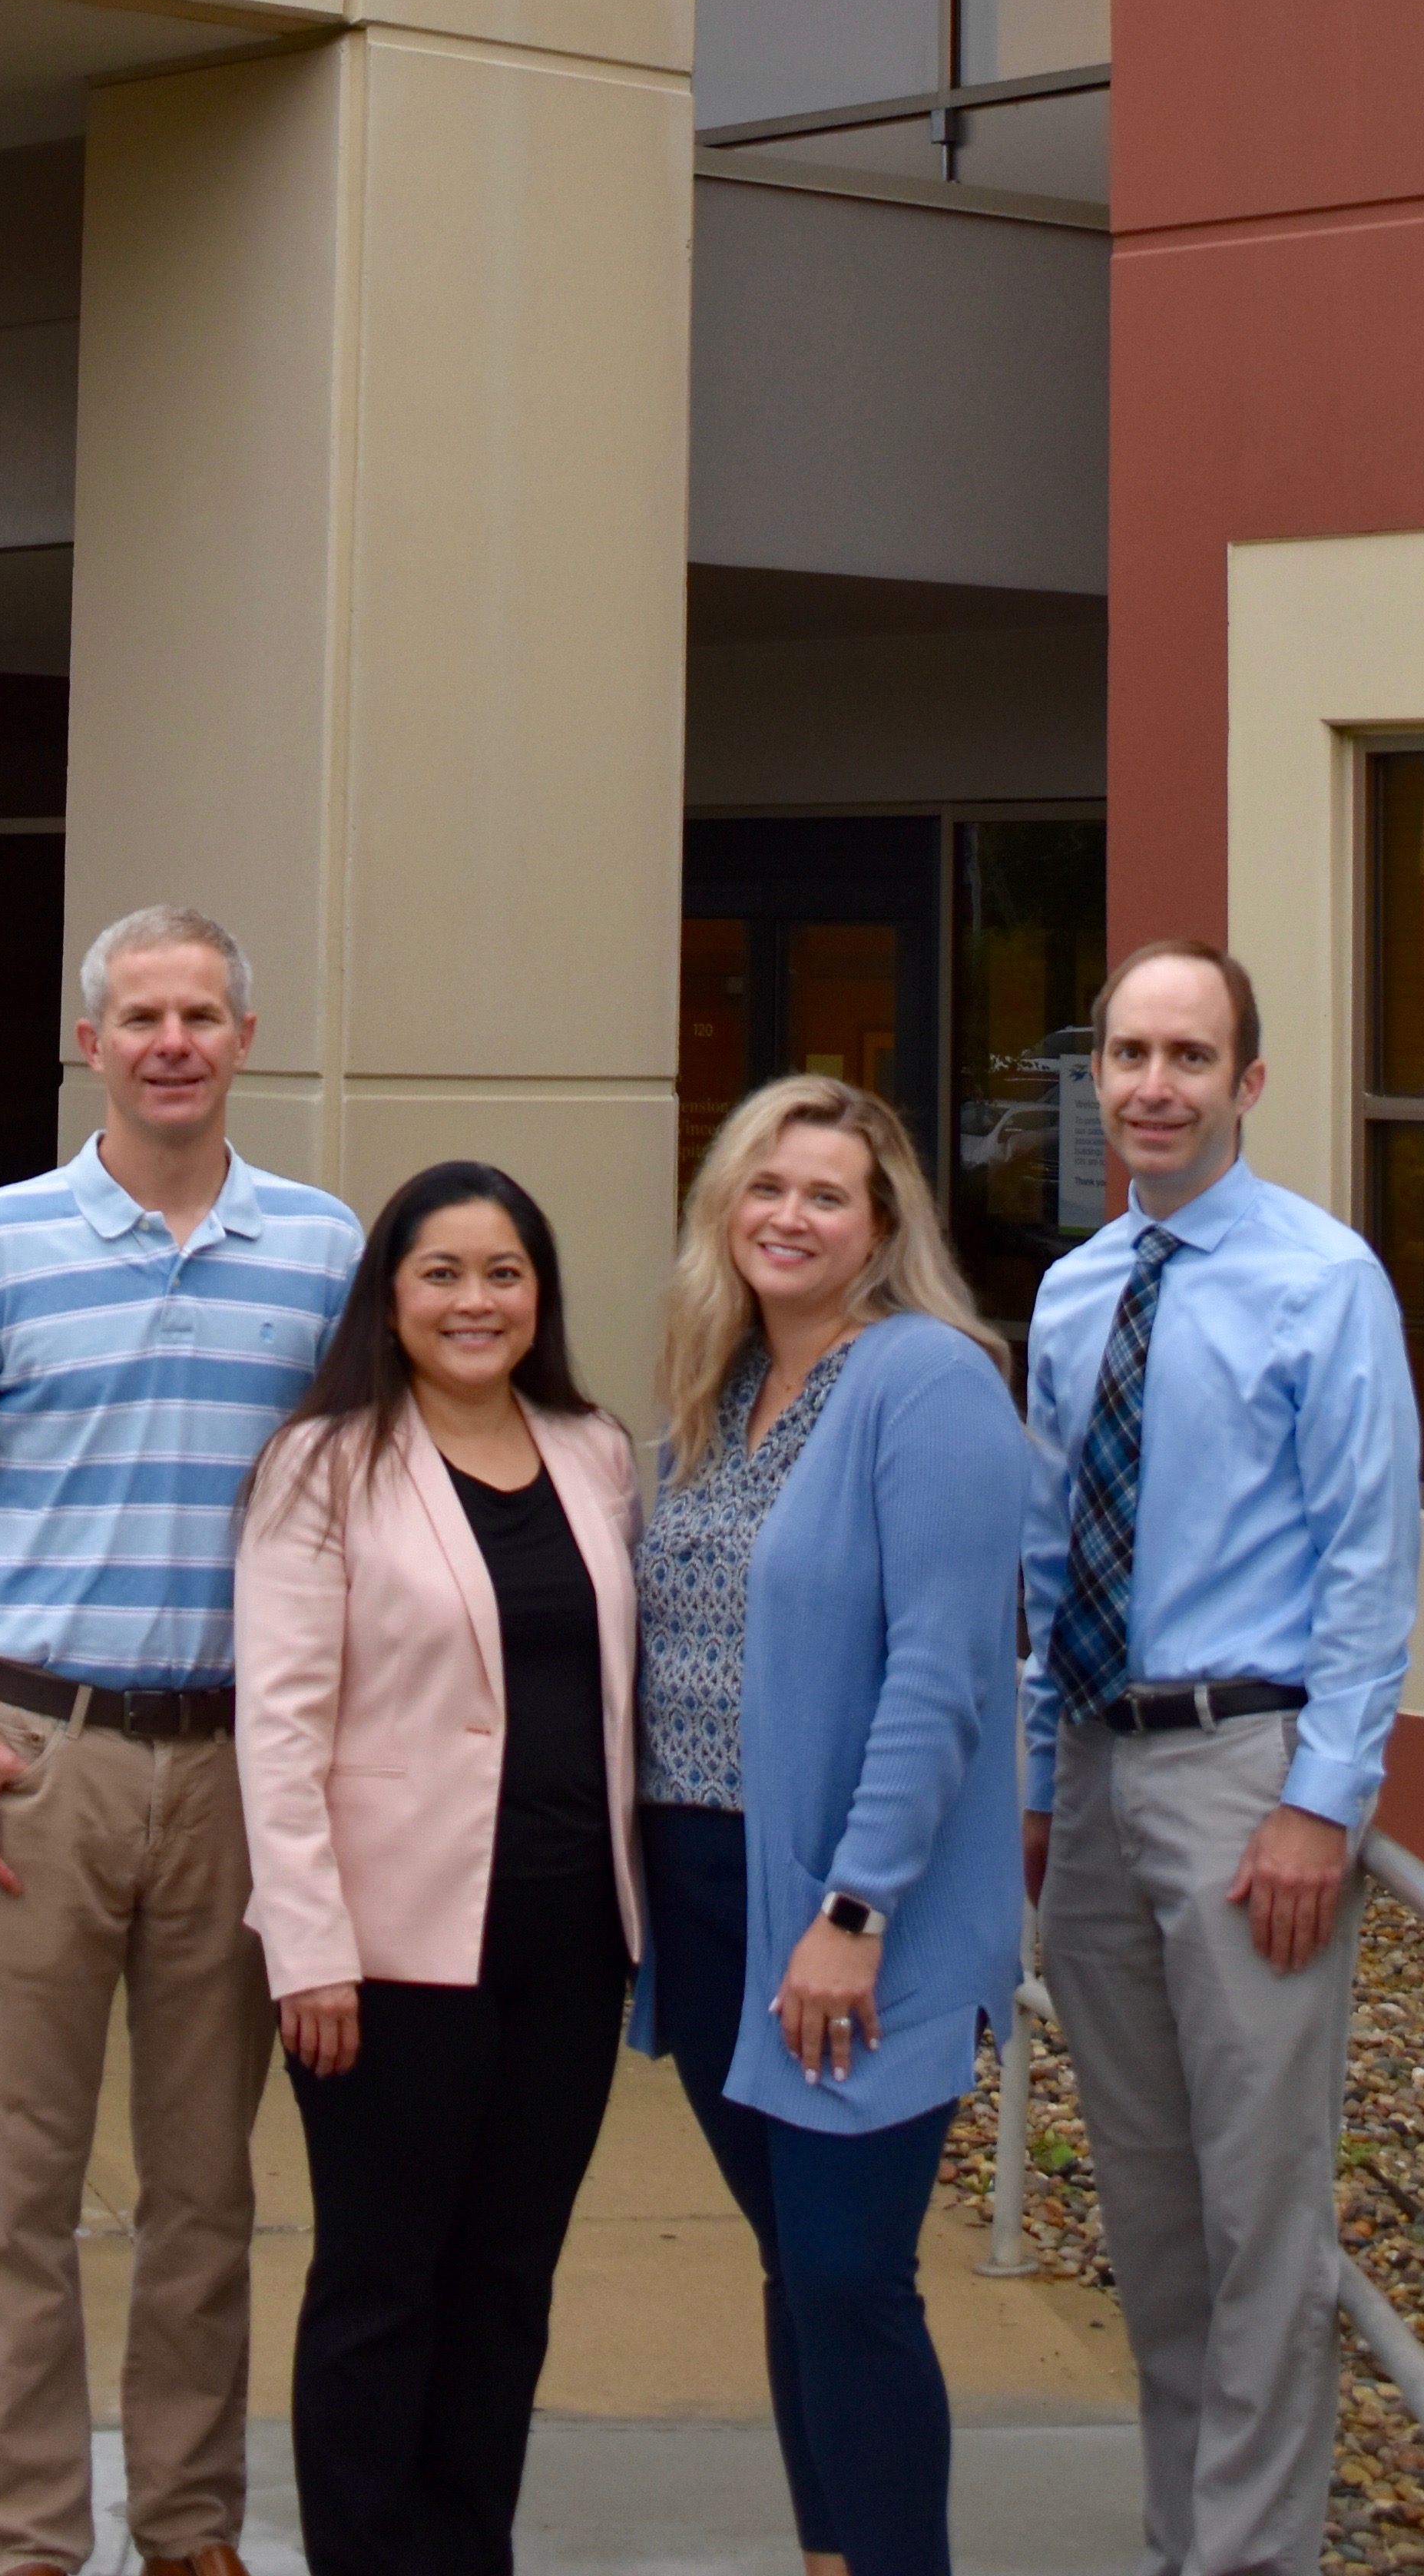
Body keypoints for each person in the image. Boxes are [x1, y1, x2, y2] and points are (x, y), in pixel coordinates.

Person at [0, 904, 362, 2576]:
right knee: (16, 2194)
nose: (171, 1042)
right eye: (138, 1016)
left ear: (243, 1039)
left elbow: (365, 1505)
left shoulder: (322, 1250)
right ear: (90, 1045)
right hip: (37, 1763)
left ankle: (188, 2529)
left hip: (233, 1771)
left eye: (201, 1015)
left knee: (204, 2194)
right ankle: (22, 2541)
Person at [1022, 938, 1422, 2576]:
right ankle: (1185, 2533)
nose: (1153, 1088)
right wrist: (1044, 1787)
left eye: (1189, 1057)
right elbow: (1051, 1566)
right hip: (1103, 1779)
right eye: (1126, 1055)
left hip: (1248, 1772)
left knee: (1260, 2207)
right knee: (1149, 2205)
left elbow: (1368, 1561)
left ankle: (1252, 2559)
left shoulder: (1322, 1281)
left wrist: (1322, 1805)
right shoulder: (1070, 1288)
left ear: (1246, 1081)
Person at [633, 1077, 1027, 2576]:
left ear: (877, 1230)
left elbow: (941, 1671)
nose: (787, 1216)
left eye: (825, 1195)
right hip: (701, 1891)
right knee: (792, 2265)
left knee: (853, 2276)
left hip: (847, 1911)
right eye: (763, 1186)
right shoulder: (712, 1394)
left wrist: (853, 1911)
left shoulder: (925, 1382)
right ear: (722, 1209)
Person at [236, 1161, 643, 2576]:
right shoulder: (324, 1463)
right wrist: (310, 1947)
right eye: (443, 1274)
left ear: (541, 1294)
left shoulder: (594, 1450)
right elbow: (277, 1730)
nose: (477, 1301)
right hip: (389, 1954)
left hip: (574, 1939)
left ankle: (469, 2552)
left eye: (505, 1273)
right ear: (388, 1298)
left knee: (507, 2280)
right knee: (380, 2282)